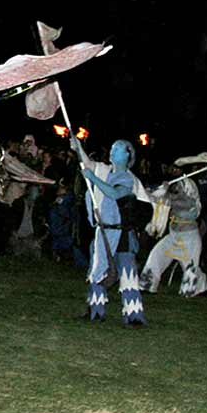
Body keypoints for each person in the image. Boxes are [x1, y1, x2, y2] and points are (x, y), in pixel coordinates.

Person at [71, 137, 150, 328]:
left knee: (127, 274)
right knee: (97, 269)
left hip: (122, 233)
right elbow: (88, 163)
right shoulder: (105, 170)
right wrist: (78, 148)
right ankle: (95, 311)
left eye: (118, 149)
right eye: (112, 148)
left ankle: (134, 316)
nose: (113, 152)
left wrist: (93, 179)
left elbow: (114, 194)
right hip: (103, 230)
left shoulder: (128, 179)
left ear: (128, 155)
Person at [140, 167, 207, 297]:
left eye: (176, 169)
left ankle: (200, 288)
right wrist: (150, 193)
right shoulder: (171, 185)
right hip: (173, 235)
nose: (173, 171)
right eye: (172, 168)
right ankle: (147, 285)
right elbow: (159, 201)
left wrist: (167, 196)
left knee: (190, 267)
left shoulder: (189, 186)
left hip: (189, 237)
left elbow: (188, 206)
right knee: (156, 255)